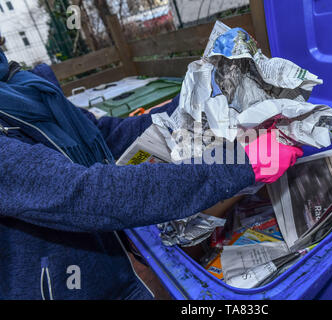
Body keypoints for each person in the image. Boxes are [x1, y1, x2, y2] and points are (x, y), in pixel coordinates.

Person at [0, 47, 302, 299]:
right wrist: (240, 164)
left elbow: (109, 135)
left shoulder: (21, 85)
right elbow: (86, 194)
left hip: (121, 269)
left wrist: (191, 102)